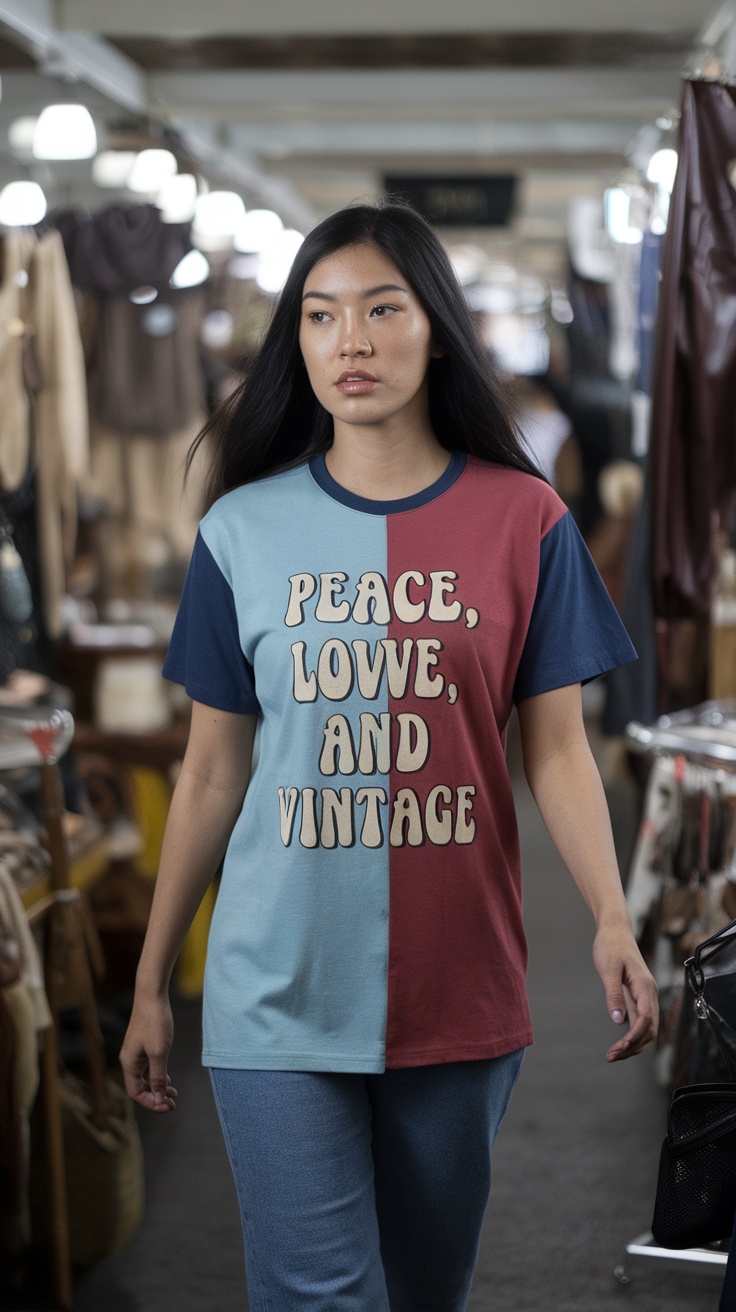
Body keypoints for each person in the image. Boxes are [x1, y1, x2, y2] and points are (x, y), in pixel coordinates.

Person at [120, 201, 659, 1312]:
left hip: (458, 980)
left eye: (380, 310)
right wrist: (151, 978)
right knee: (318, 1298)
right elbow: (213, 769)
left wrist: (612, 913)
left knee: (423, 1290)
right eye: (319, 316)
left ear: (438, 331)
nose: (349, 341)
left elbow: (557, 751)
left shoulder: (527, 520)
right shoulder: (240, 531)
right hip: (274, 983)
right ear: (297, 343)